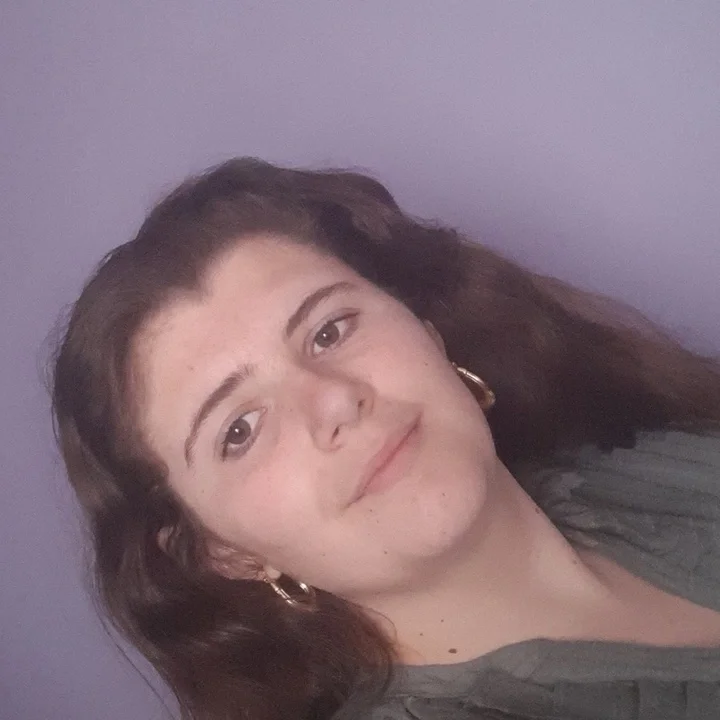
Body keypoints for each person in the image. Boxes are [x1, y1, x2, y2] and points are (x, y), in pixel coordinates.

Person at [51, 158, 720, 720]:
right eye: (240, 430)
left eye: (329, 331)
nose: (334, 399)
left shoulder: (636, 455)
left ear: (427, 332)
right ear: (225, 551)